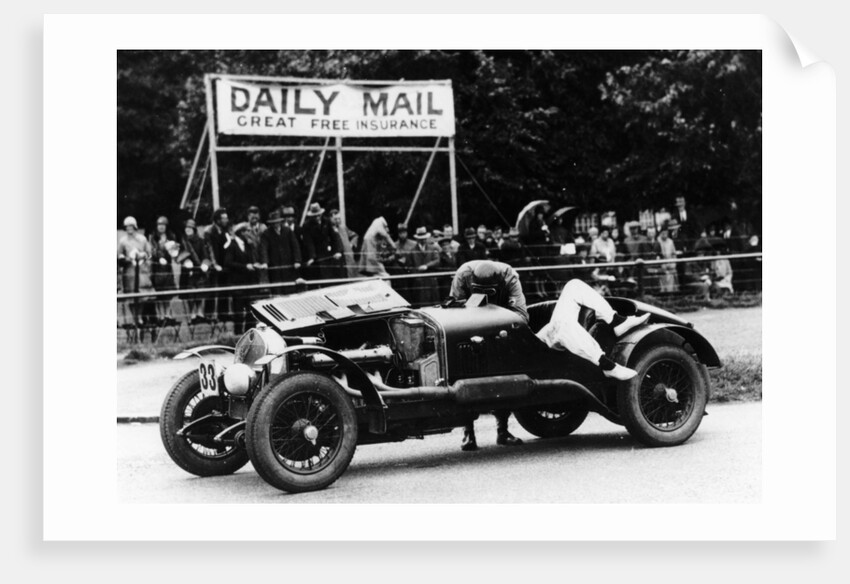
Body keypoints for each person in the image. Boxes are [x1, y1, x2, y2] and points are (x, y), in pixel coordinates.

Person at [449, 260, 528, 450]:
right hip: (470, 329)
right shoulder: (462, 275)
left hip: (500, 330)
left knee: (504, 374)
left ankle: (503, 431)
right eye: (479, 291)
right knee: (464, 373)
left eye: (489, 292)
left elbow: (522, 317)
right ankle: (468, 432)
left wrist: (495, 318)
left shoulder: (509, 276)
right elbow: (453, 312)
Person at [117, 216, 153, 326]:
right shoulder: (123, 241)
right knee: (131, 296)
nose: (129, 229)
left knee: (142, 295)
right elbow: (119, 254)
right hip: (129, 271)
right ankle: (134, 318)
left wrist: (144, 255)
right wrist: (123, 257)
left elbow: (149, 253)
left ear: (135, 227)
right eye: (127, 227)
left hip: (141, 269)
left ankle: (140, 317)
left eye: (131, 227)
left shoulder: (142, 239)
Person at [223, 222, 257, 335]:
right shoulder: (232, 245)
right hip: (237, 283)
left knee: (250, 310)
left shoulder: (247, 245)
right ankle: (238, 334)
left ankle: (249, 333)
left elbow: (250, 259)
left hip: (248, 283)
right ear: (241, 232)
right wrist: (244, 266)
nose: (249, 233)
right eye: (247, 231)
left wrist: (254, 265)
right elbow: (228, 262)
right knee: (238, 311)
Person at [177, 218, 208, 322]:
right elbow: (179, 254)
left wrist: (204, 264)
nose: (188, 230)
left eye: (190, 228)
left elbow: (205, 255)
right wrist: (185, 261)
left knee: (200, 293)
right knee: (190, 294)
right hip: (188, 271)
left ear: (194, 229)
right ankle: (192, 314)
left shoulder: (200, 241)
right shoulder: (183, 241)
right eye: (186, 228)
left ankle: (200, 313)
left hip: (199, 271)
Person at [261, 209, 302, 286]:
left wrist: (297, 260)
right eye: (273, 223)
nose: (275, 224)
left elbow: (295, 246)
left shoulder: (288, 230)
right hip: (275, 265)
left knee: (290, 285)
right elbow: (264, 249)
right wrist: (265, 262)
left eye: (277, 222)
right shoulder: (266, 234)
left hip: (288, 263)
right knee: (277, 287)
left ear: (280, 222)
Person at [409, 226, 441, 305]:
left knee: (434, 304)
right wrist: (416, 275)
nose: (423, 240)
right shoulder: (412, 251)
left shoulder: (432, 248)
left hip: (431, 281)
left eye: (424, 238)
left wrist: (426, 266)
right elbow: (409, 267)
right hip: (419, 283)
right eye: (421, 238)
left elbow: (437, 260)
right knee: (421, 304)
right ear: (417, 239)